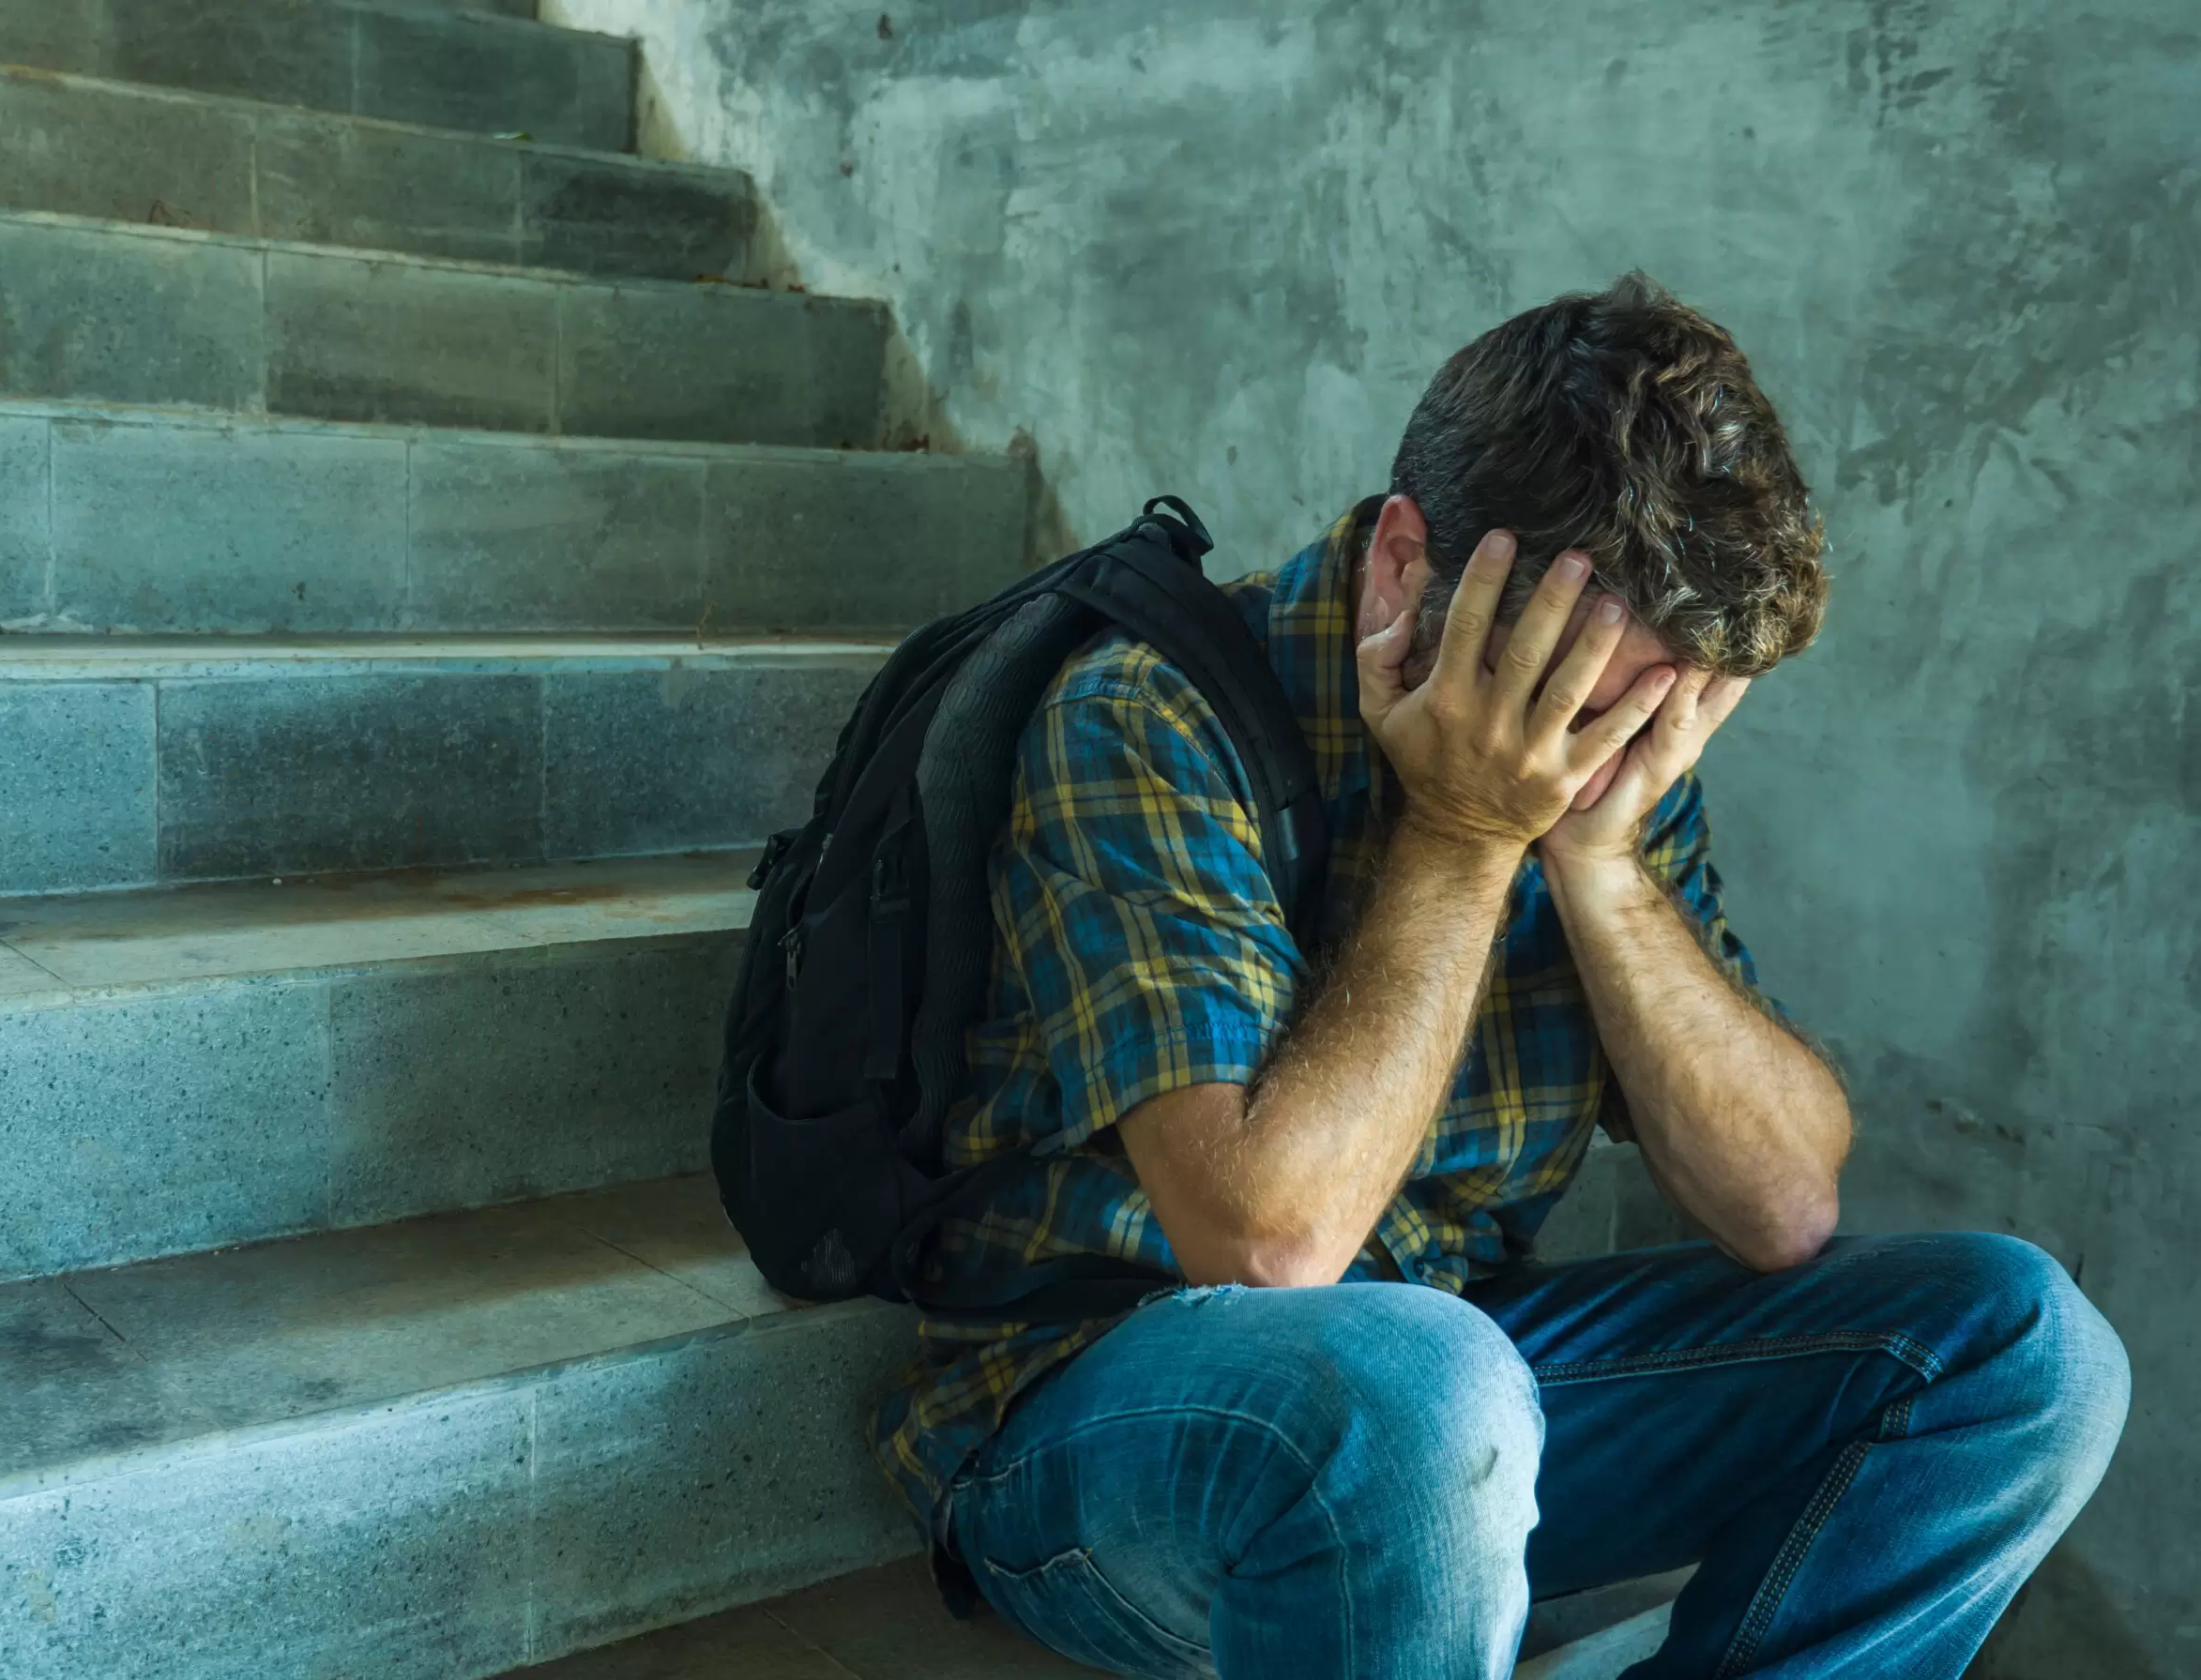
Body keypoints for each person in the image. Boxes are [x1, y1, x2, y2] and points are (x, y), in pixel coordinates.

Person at [869, 275, 2129, 1678]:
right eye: (1591, 712)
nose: (1605, 761)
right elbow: (1270, 1248)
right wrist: (1466, 832)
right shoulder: (1149, 715)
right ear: (1407, 564)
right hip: (1109, 1407)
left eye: (1660, 715)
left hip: (1463, 1394)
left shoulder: (1600, 760)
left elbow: (1782, 1205)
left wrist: (1598, 862)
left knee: (2027, 1347)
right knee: (1421, 1393)